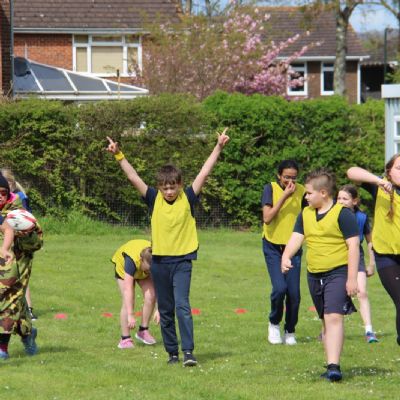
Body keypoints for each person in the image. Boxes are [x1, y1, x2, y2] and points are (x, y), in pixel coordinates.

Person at [106, 128, 230, 366]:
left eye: (173, 187)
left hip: (182, 261)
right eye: (165, 188)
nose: (170, 192)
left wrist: (218, 147)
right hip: (160, 263)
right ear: (160, 187)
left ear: (180, 185)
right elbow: (133, 178)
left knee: (182, 306)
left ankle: (189, 352)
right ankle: (172, 353)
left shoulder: (188, 197)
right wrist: (118, 155)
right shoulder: (154, 199)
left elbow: (204, 172)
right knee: (165, 309)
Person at [281, 168, 359, 382]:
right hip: (314, 274)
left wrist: (352, 278)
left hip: (338, 272)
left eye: (308, 193)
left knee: (334, 316)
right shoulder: (305, 214)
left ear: (323, 193)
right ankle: (330, 363)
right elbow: (297, 237)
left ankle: (334, 367)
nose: (305, 196)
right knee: (325, 319)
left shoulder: (343, 214)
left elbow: (353, 246)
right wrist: (286, 256)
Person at [347, 155, 400, 345]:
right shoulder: (380, 187)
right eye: (399, 168)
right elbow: (351, 172)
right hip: (387, 257)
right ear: (389, 172)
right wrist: (379, 181)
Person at [261, 160, 306, 345]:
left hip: (293, 248)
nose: (290, 182)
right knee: (280, 289)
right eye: (286, 177)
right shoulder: (270, 189)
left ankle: (290, 330)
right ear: (279, 175)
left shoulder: (303, 191)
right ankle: (274, 323)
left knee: (294, 293)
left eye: (294, 178)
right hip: (273, 246)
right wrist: (285, 196)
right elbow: (267, 218)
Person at [0, 173, 43, 359]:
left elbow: (37, 243)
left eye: (3, 193)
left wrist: (26, 233)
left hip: (17, 268)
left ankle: (2, 349)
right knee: (16, 306)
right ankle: (28, 333)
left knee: (9, 303)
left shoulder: (20, 214)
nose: (0, 196)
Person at [337, 184, 378, 343]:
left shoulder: (361, 218)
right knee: (335, 295)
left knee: (361, 292)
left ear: (354, 201)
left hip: (357, 257)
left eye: (345, 198)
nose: (341, 201)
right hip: (337, 256)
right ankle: (326, 330)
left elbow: (370, 241)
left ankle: (369, 331)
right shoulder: (332, 214)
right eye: (338, 198)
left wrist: (371, 263)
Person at [1, 168, 37, 321]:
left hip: (19, 252)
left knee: (17, 286)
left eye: (3, 192)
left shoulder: (18, 204)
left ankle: (27, 313)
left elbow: (20, 227)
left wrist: (6, 248)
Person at [111, 239, 159, 349]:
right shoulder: (131, 261)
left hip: (140, 268)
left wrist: (159, 308)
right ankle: (125, 339)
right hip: (123, 268)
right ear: (141, 260)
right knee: (128, 301)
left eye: (151, 270)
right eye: (148, 269)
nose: (149, 272)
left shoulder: (154, 261)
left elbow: (159, 286)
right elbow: (128, 289)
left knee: (151, 295)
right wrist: (130, 315)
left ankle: (143, 331)